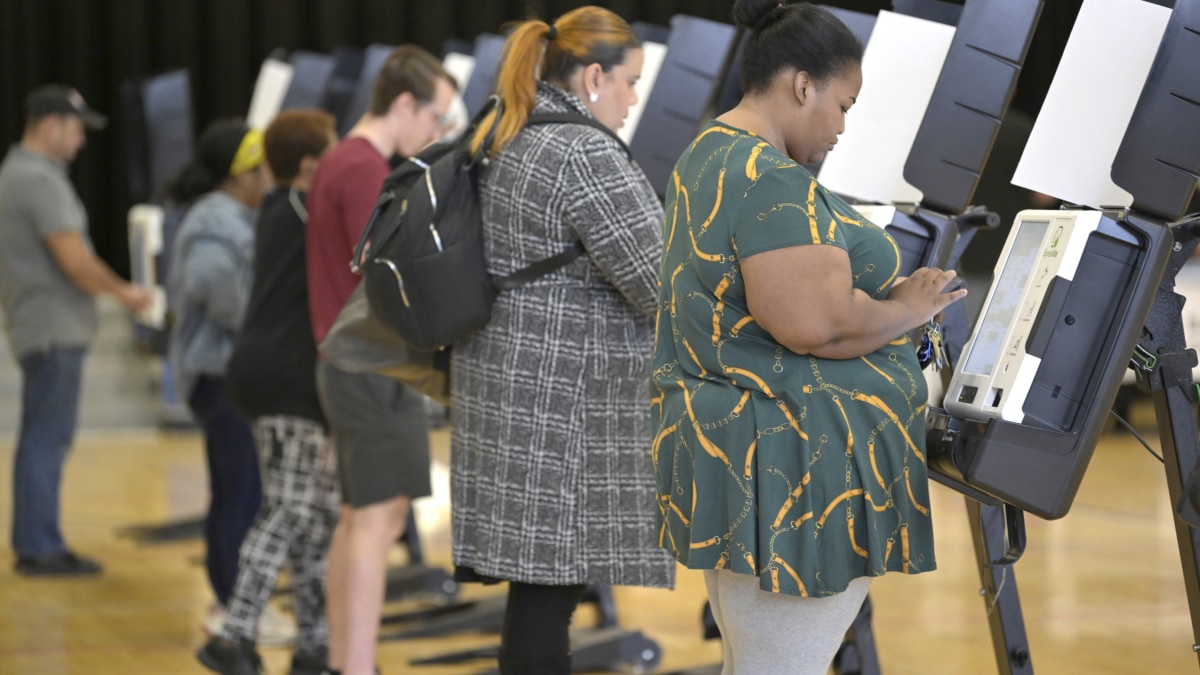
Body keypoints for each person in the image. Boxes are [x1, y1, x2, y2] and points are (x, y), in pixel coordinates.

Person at [651, 2, 969, 673]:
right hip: (794, 470)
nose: (843, 127)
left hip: (753, 457)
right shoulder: (766, 176)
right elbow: (818, 325)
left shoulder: (710, 153)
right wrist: (908, 309)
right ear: (803, 85)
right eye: (843, 104)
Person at [450, 8, 674, 673]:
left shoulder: (506, 125)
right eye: (630, 83)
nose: (634, 99)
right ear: (593, 76)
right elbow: (659, 280)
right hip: (560, 401)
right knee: (549, 586)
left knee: (540, 583)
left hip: (511, 379)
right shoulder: (582, 149)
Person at [305, 44, 455, 675]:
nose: (437, 133)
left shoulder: (344, 159)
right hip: (367, 366)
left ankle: (348, 660)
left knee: (363, 516)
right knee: (375, 520)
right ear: (403, 104)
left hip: (354, 364)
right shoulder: (364, 168)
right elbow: (393, 272)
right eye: (435, 117)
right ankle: (356, 665)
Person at [196, 110, 339, 675]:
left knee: (314, 515)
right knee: (289, 508)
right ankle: (232, 637)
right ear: (309, 166)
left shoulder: (278, 209)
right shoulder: (304, 209)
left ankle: (313, 644)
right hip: (286, 377)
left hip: (267, 372)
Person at [0, 84, 151, 576]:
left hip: (40, 325)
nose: (81, 141)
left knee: (41, 438)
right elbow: (73, 261)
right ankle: (40, 546)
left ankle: (36, 540)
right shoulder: (38, 179)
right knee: (47, 439)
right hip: (53, 329)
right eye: (76, 129)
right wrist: (124, 292)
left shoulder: (19, 175)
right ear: (51, 125)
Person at [165, 119, 275, 640]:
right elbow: (210, 280)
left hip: (220, 376)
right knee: (242, 495)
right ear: (241, 174)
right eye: (262, 170)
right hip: (220, 377)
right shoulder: (216, 218)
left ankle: (232, 604)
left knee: (233, 491)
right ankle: (239, 611)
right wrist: (259, 320)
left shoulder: (226, 213)